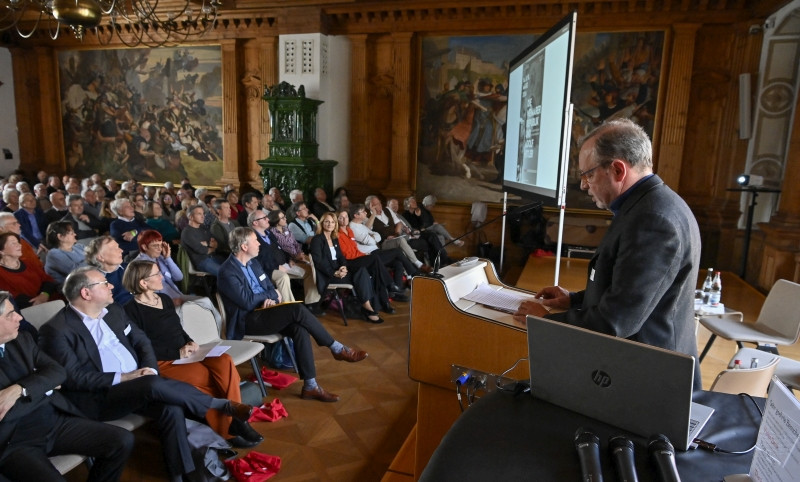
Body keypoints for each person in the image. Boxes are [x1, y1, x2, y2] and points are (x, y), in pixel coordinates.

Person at [514, 119, 702, 386]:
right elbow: (628, 291)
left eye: (588, 174)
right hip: (637, 366)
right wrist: (575, 300)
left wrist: (547, 321)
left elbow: (618, 322)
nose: (583, 185)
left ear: (617, 169)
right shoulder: (647, 204)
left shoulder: (653, 220)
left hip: (648, 380)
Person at [38, 266, 254, 481]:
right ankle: (219, 405)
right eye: (105, 283)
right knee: (151, 385)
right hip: (102, 397)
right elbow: (73, 378)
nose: (112, 285)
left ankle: (182, 475)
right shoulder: (57, 330)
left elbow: (142, 341)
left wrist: (150, 368)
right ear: (86, 293)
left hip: (139, 383)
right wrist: (125, 378)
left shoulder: (113, 311)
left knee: (171, 408)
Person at [121, 260, 263, 448]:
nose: (162, 276)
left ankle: (236, 420)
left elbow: (177, 328)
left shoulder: (163, 299)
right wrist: (176, 353)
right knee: (206, 379)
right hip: (165, 361)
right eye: (156, 274)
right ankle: (230, 430)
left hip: (188, 352)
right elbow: (141, 346)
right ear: (143, 283)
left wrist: (190, 340)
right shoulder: (130, 310)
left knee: (224, 360)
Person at [218, 227, 369, 402]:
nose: (259, 243)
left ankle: (311, 386)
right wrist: (270, 296)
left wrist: (271, 297)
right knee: (296, 310)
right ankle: (337, 348)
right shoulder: (227, 271)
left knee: (299, 329)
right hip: (247, 320)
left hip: (265, 311)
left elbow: (269, 286)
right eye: (255, 241)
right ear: (244, 246)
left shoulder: (253, 263)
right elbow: (247, 301)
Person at [0, 291, 134, 481]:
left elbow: (58, 372)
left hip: (55, 421)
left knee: (121, 440)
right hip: (13, 441)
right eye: (9, 314)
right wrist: (44, 387)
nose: (19, 317)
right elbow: (6, 413)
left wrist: (19, 389)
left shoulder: (22, 339)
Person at [134, 230, 222, 329]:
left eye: (160, 245)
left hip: (177, 295)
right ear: (144, 247)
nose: (159, 249)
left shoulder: (160, 259)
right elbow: (147, 292)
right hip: (163, 303)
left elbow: (179, 277)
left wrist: (168, 258)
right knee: (197, 310)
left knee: (206, 302)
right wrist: (168, 301)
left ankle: (218, 332)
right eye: (155, 246)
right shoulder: (139, 265)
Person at [310, 212, 386, 322]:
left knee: (362, 270)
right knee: (361, 273)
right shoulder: (317, 240)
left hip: (338, 270)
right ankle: (368, 308)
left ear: (335, 224)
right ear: (322, 223)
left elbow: (341, 257)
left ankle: (367, 306)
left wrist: (344, 267)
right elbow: (319, 262)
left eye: (332, 222)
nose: (330, 224)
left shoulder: (334, 238)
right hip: (327, 275)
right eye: (327, 221)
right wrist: (334, 272)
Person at [337, 208, 414, 301]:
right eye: (342, 217)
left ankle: (396, 292)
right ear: (356, 215)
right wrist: (372, 238)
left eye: (346, 216)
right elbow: (368, 241)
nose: (366, 212)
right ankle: (411, 274)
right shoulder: (352, 228)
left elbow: (378, 236)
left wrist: (372, 237)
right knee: (396, 252)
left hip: (367, 253)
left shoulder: (354, 228)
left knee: (398, 263)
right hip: (367, 254)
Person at [0, 232, 56, 309]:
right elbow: (13, 297)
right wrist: (39, 301)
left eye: (18, 242)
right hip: (31, 309)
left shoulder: (28, 262)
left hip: (50, 299)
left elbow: (48, 280)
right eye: (13, 243)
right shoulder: (1, 273)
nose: (19, 245)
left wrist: (44, 294)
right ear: (1, 251)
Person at [85, 236, 130, 305]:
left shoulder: (129, 266)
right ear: (100, 257)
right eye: (114, 249)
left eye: (118, 247)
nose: (121, 250)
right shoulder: (97, 283)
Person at [181, 205, 224, 276]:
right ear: (190, 217)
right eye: (199, 214)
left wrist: (207, 244)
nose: (203, 216)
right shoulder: (187, 232)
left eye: (203, 213)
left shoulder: (203, 228)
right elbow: (202, 250)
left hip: (213, 257)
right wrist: (212, 247)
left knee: (235, 267)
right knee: (225, 274)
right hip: (202, 261)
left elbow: (217, 243)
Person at [44, 221, 87, 286]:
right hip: (72, 288)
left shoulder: (79, 246)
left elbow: (96, 256)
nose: (75, 234)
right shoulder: (53, 254)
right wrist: (92, 259)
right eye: (71, 233)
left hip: (86, 281)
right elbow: (76, 271)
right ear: (60, 236)